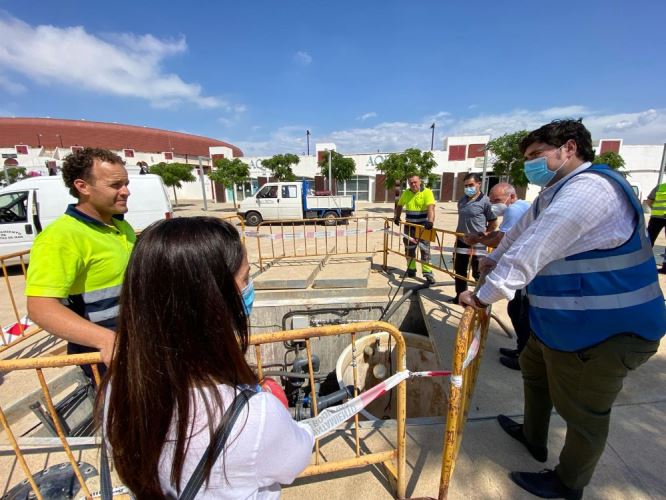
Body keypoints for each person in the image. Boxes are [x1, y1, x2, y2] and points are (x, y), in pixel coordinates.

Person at [460, 120, 665, 499]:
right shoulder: (554, 192)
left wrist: (483, 295)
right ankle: (533, 436)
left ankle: (568, 483)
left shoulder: (590, 191)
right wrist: (493, 260)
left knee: (585, 414)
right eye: (526, 159)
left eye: (537, 156)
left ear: (569, 149)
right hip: (562, 323)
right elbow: (519, 238)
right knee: (533, 373)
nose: (530, 166)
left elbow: (534, 250)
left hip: (608, 332)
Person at [100, 217, 314, 498]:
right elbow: (296, 459)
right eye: (246, 278)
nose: (249, 289)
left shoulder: (118, 390)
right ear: (213, 300)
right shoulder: (255, 415)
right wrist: (278, 405)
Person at [26, 148, 134, 373]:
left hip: (135, 347)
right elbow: (40, 308)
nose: (126, 191)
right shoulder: (60, 237)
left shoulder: (121, 226)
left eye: (126, 183)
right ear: (82, 187)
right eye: (116, 185)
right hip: (106, 361)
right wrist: (105, 340)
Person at [463, 182, 531, 370]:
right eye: (492, 201)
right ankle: (521, 350)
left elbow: (501, 239)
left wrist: (478, 239)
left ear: (511, 196)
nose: (494, 205)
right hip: (524, 266)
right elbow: (504, 237)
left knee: (520, 312)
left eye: (498, 200)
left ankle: (524, 357)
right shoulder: (524, 206)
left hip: (523, 268)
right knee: (517, 309)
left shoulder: (514, 210)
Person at [451, 172, 497, 303]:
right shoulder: (462, 200)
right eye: (465, 186)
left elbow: (493, 223)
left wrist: (483, 236)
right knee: (460, 270)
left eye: (471, 185)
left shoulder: (486, 201)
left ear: (478, 184)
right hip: (462, 241)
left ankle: (479, 299)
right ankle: (460, 296)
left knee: (479, 271)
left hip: (478, 243)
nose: (468, 188)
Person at [393, 174, 436, 284]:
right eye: (411, 182)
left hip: (423, 227)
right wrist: (397, 217)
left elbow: (431, 208)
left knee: (425, 250)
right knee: (409, 249)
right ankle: (411, 269)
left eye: (415, 182)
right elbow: (399, 205)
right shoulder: (406, 193)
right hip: (409, 227)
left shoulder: (427, 192)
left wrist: (430, 221)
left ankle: (428, 273)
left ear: (420, 181)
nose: (413, 184)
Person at [645, 183, 666, 273]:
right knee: (648, 240)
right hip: (656, 217)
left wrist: (654, 209)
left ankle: (643, 263)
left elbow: (649, 201)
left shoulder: (660, 187)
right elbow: (649, 200)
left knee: (648, 240)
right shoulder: (660, 187)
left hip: (656, 218)